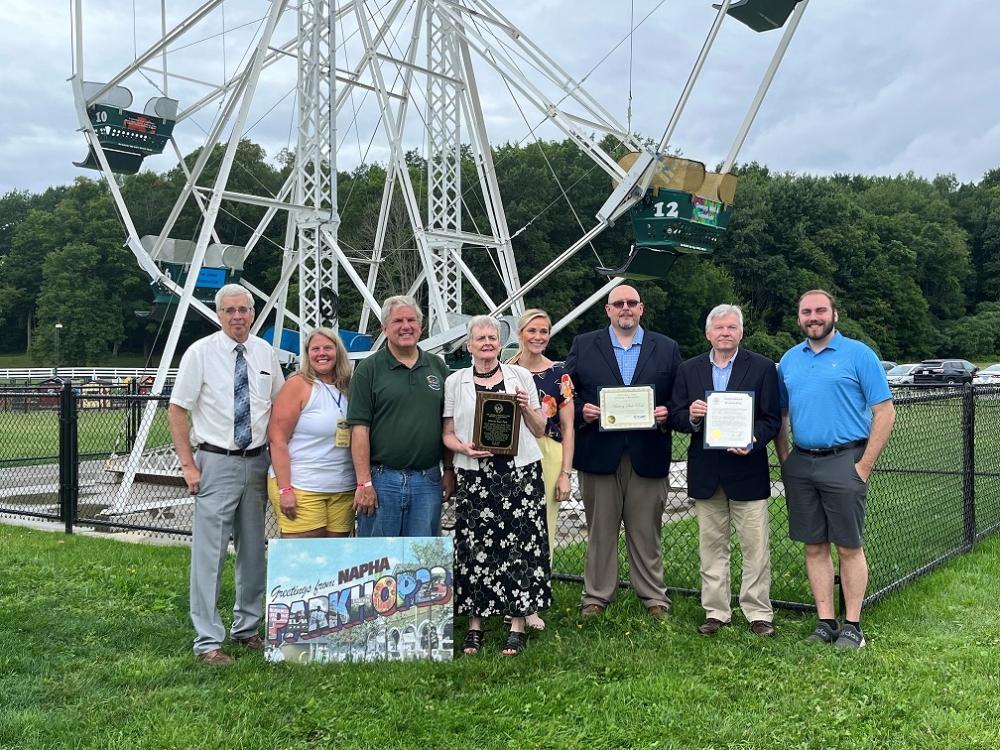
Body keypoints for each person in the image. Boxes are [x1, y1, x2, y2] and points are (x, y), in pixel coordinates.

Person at [167, 283, 284, 665]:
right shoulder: (200, 353)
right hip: (216, 460)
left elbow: (280, 410)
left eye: (244, 309)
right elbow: (177, 409)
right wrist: (188, 464)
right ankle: (208, 641)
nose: (237, 316)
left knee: (253, 551)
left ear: (253, 313)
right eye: (230, 310)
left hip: (256, 460)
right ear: (219, 315)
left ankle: (247, 628)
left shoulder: (265, 353)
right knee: (210, 555)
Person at [776, 289, 895, 649]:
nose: (813, 317)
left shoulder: (859, 355)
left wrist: (864, 466)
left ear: (834, 315)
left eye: (820, 310)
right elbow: (781, 416)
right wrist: (785, 459)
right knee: (814, 546)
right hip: (802, 461)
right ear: (799, 318)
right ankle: (825, 621)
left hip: (846, 460)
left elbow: (885, 412)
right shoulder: (789, 360)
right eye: (806, 311)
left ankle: (852, 626)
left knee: (848, 546)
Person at [564, 284, 681, 619]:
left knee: (646, 530)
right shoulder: (584, 345)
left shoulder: (667, 348)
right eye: (619, 304)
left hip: (648, 451)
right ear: (608, 310)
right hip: (599, 452)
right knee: (600, 531)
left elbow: (679, 397)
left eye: (632, 303)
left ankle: (653, 596)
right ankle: (596, 596)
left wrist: (667, 414)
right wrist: (581, 411)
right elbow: (565, 396)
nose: (626, 308)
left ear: (641, 309)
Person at [668, 304, 781, 637]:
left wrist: (753, 438)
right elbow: (676, 417)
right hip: (707, 473)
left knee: (755, 548)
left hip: (748, 469)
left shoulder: (761, 368)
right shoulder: (689, 370)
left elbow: (771, 418)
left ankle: (758, 612)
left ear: (741, 332)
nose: (725, 333)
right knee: (712, 547)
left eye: (732, 328)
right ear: (708, 333)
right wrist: (692, 415)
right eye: (719, 328)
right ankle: (716, 611)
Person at [443, 316, 550, 656]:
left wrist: (523, 407)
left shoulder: (521, 377)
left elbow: (540, 427)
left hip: (518, 473)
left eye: (492, 337)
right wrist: (463, 448)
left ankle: (517, 623)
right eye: (480, 338)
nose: (487, 343)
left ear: (500, 344)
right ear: (469, 345)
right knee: (476, 548)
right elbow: (447, 432)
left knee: (519, 546)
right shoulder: (455, 382)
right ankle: (475, 625)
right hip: (476, 474)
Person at [346, 295, 454, 537]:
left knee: (422, 560)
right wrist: (364, 483)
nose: (406, 326)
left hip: (428, 480)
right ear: (385, 328)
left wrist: (448, 469)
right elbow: (359, 429)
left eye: (411, 320)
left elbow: (448, 423)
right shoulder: (368, 370)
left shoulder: (437, 367)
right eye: (398, 321)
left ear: (420, 326)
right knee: (377, 562)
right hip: (383, 481)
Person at [508, 308, 575, 630]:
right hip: (511, 453)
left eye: (544, 331)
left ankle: (532, 603)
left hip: (549, 452)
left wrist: (566, 472)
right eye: (532, 330)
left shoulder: (559, 375)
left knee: (542, 530)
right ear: (520, 333)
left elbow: (569, 426)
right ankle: (509, 598)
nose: (538, 337)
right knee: (510, 529)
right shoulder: (504, 371)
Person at [267, 327, 355, 538]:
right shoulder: (298, 385)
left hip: (343, 488)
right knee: (305, 559)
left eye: (328, 348)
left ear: (338, 352)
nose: (322, 353)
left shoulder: (349, 387)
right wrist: (285, 489)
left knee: (336, 563)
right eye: (315, 349)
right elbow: (277, 439)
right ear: (307, 354)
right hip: (302, 485)